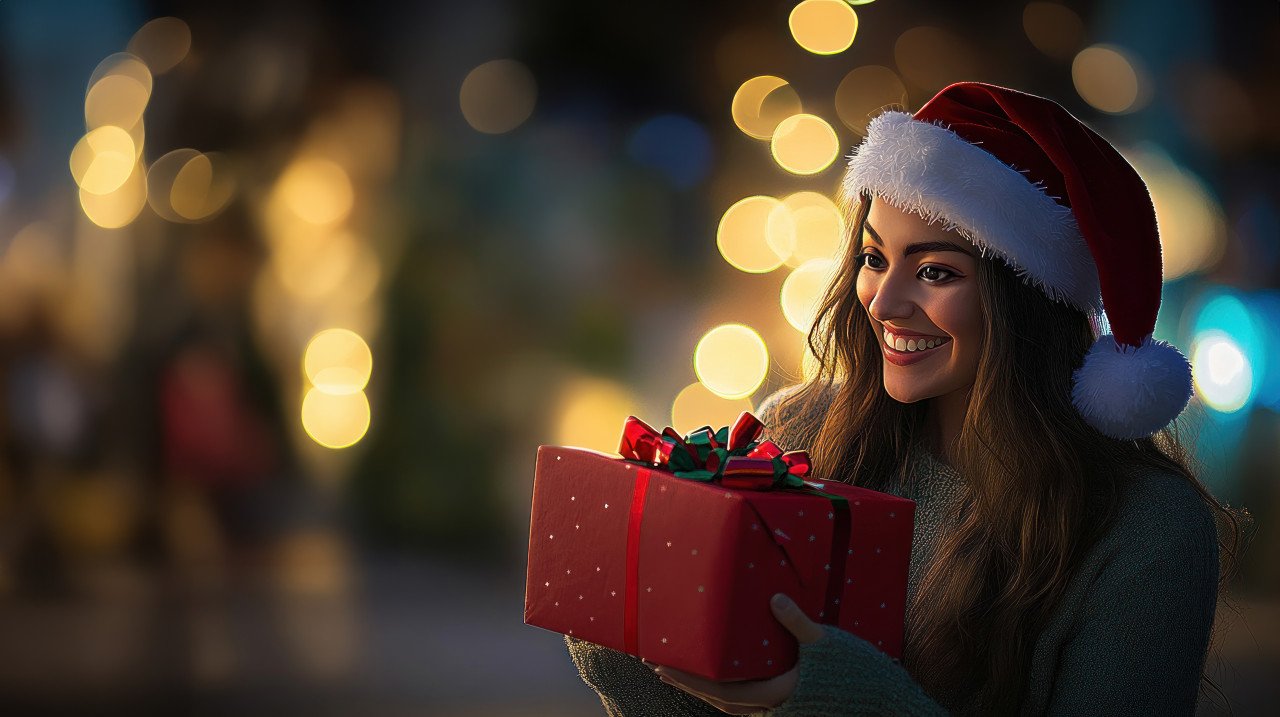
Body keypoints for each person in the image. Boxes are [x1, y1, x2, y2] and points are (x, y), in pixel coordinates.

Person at [564, 82, 1250, 715]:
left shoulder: (1146, 529)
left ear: (1026, 300)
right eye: (872, 258)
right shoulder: (795, 432)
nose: (885, 302)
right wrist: (627, 611)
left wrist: (832, 693)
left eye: (934, 271)